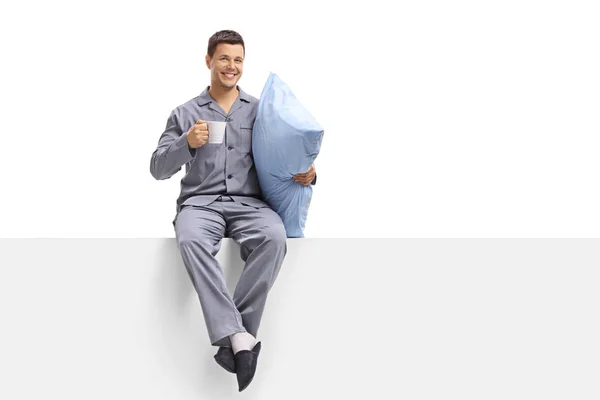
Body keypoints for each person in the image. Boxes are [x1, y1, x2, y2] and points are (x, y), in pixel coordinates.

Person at [149, 30, 317, 392]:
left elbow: (285, 152)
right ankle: (242, 338)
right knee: (190, 238)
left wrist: (310, 172)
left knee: (274, 238)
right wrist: (185, 143)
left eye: (238, 60)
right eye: (224, 58)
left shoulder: (261, 111)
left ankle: (235, 336)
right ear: (209, 60)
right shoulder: (185, 113)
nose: (232, 66)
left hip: (249, 205)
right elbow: (158, 168)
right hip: (201, 204)